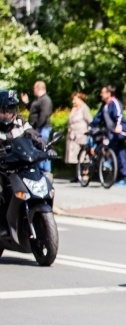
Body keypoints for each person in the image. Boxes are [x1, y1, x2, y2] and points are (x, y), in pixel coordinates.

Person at [0, 89, 55, 236]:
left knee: (47, 178)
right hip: (4, 168)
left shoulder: (20, 122)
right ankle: (3, 224)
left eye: (10, 110)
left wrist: (45, 146)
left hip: (22, 166)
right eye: (3, 111)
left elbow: (34, 135)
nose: (7, 114)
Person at [90, 85, 126, 187]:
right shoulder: (104, 106)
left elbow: (119, 115)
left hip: (120, 131)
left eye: (103, 92)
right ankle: (113, 168)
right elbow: (98, 118)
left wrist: (119, 126)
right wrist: (90, 126)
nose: (101, 94)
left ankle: (125, 178)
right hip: (111, 132)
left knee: (118, 153)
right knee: (117, 152)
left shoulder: (115, 103)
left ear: (109, 93)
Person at [20, 81, 53, 174]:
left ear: (38, 88)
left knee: (43, 148)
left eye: (34, 88)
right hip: (37, 128)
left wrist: (37, 128)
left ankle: (46, 172)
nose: (33, 90)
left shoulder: (45, 100)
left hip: (43, 128)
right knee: (37, 150)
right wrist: (27, 102)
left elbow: (44, 115)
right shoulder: (38, 100)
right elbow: (33, 110)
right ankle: (39, 170)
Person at [65, 92, 92, 180]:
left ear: (80, 99)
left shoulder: (84, 108)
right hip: (72, 135)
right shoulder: (74, 109)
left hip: (81, 135)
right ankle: (77, 175)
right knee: (75, 156)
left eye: (75, 99)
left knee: (83, 156)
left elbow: (90, 121)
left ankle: (85, 174)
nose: (73, 101)